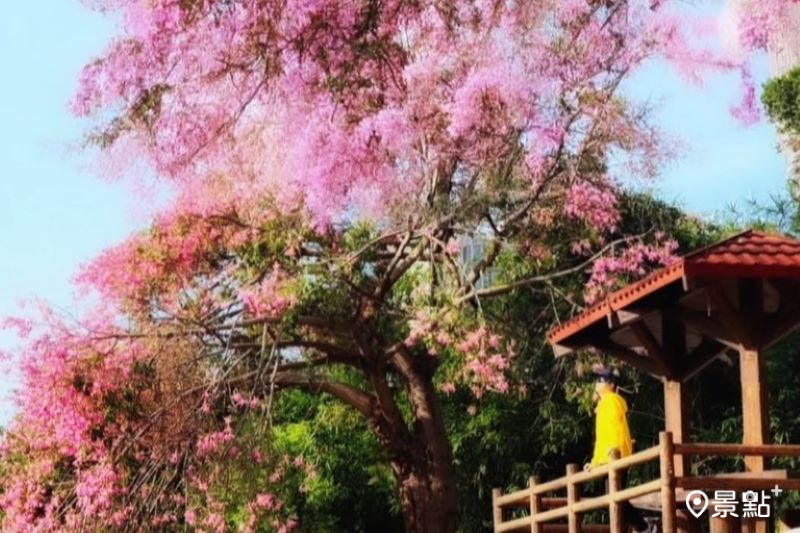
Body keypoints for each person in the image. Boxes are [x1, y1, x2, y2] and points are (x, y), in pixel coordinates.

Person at [584, 368, 654, 533]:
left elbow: (614, 430)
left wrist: (612, 454)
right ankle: (639, 528)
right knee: (615, 498)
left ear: (611, 385)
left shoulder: (611, 400)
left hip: (615, 456)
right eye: (598, 380)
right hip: (611, 457)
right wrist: (595, 462)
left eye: (601, 381)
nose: (597, 383)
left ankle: (645, 528)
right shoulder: (604, 403)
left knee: (615, 497)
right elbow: (602, 438)